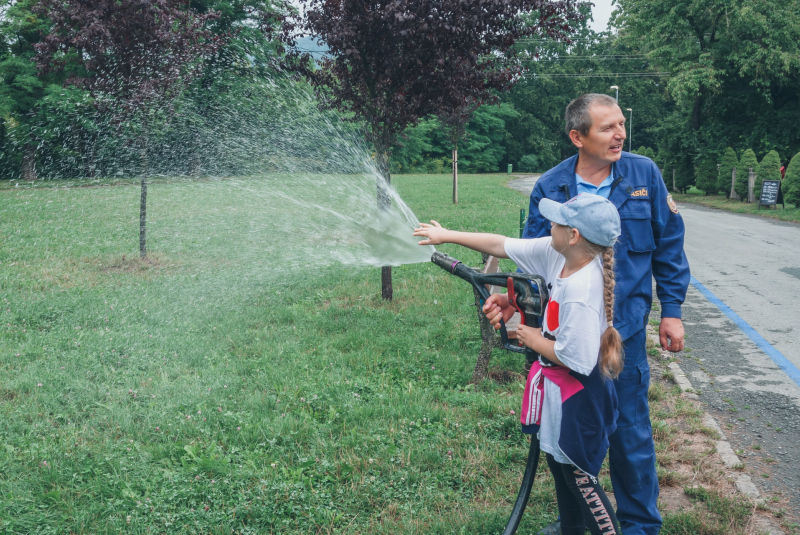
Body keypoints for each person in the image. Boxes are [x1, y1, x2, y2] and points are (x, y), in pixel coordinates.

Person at [506, 93, 690, 535]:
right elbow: (532, 260)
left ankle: (639, 526)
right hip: (564, 341)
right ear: (577, 136)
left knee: (630, 437)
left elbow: (669, 244)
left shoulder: (643, 173)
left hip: (620, 338)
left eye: (621, 124)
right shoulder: (551, 187)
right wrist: (511, 298)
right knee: (568, 439)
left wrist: (673, 310)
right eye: (608, 128)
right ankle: (576, 518)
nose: (620, 134)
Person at [414, 193, 623, 535]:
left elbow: (579, 358)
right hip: (560, 390)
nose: (549, 225)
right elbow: (502, 244)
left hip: (579, 398)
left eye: (556, 222)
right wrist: (447, 234)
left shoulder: (584, 287)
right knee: (558, 465)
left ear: (573, 235)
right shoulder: (563, 256)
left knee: (579, 478)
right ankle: (570, 530)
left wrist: (532, 338)